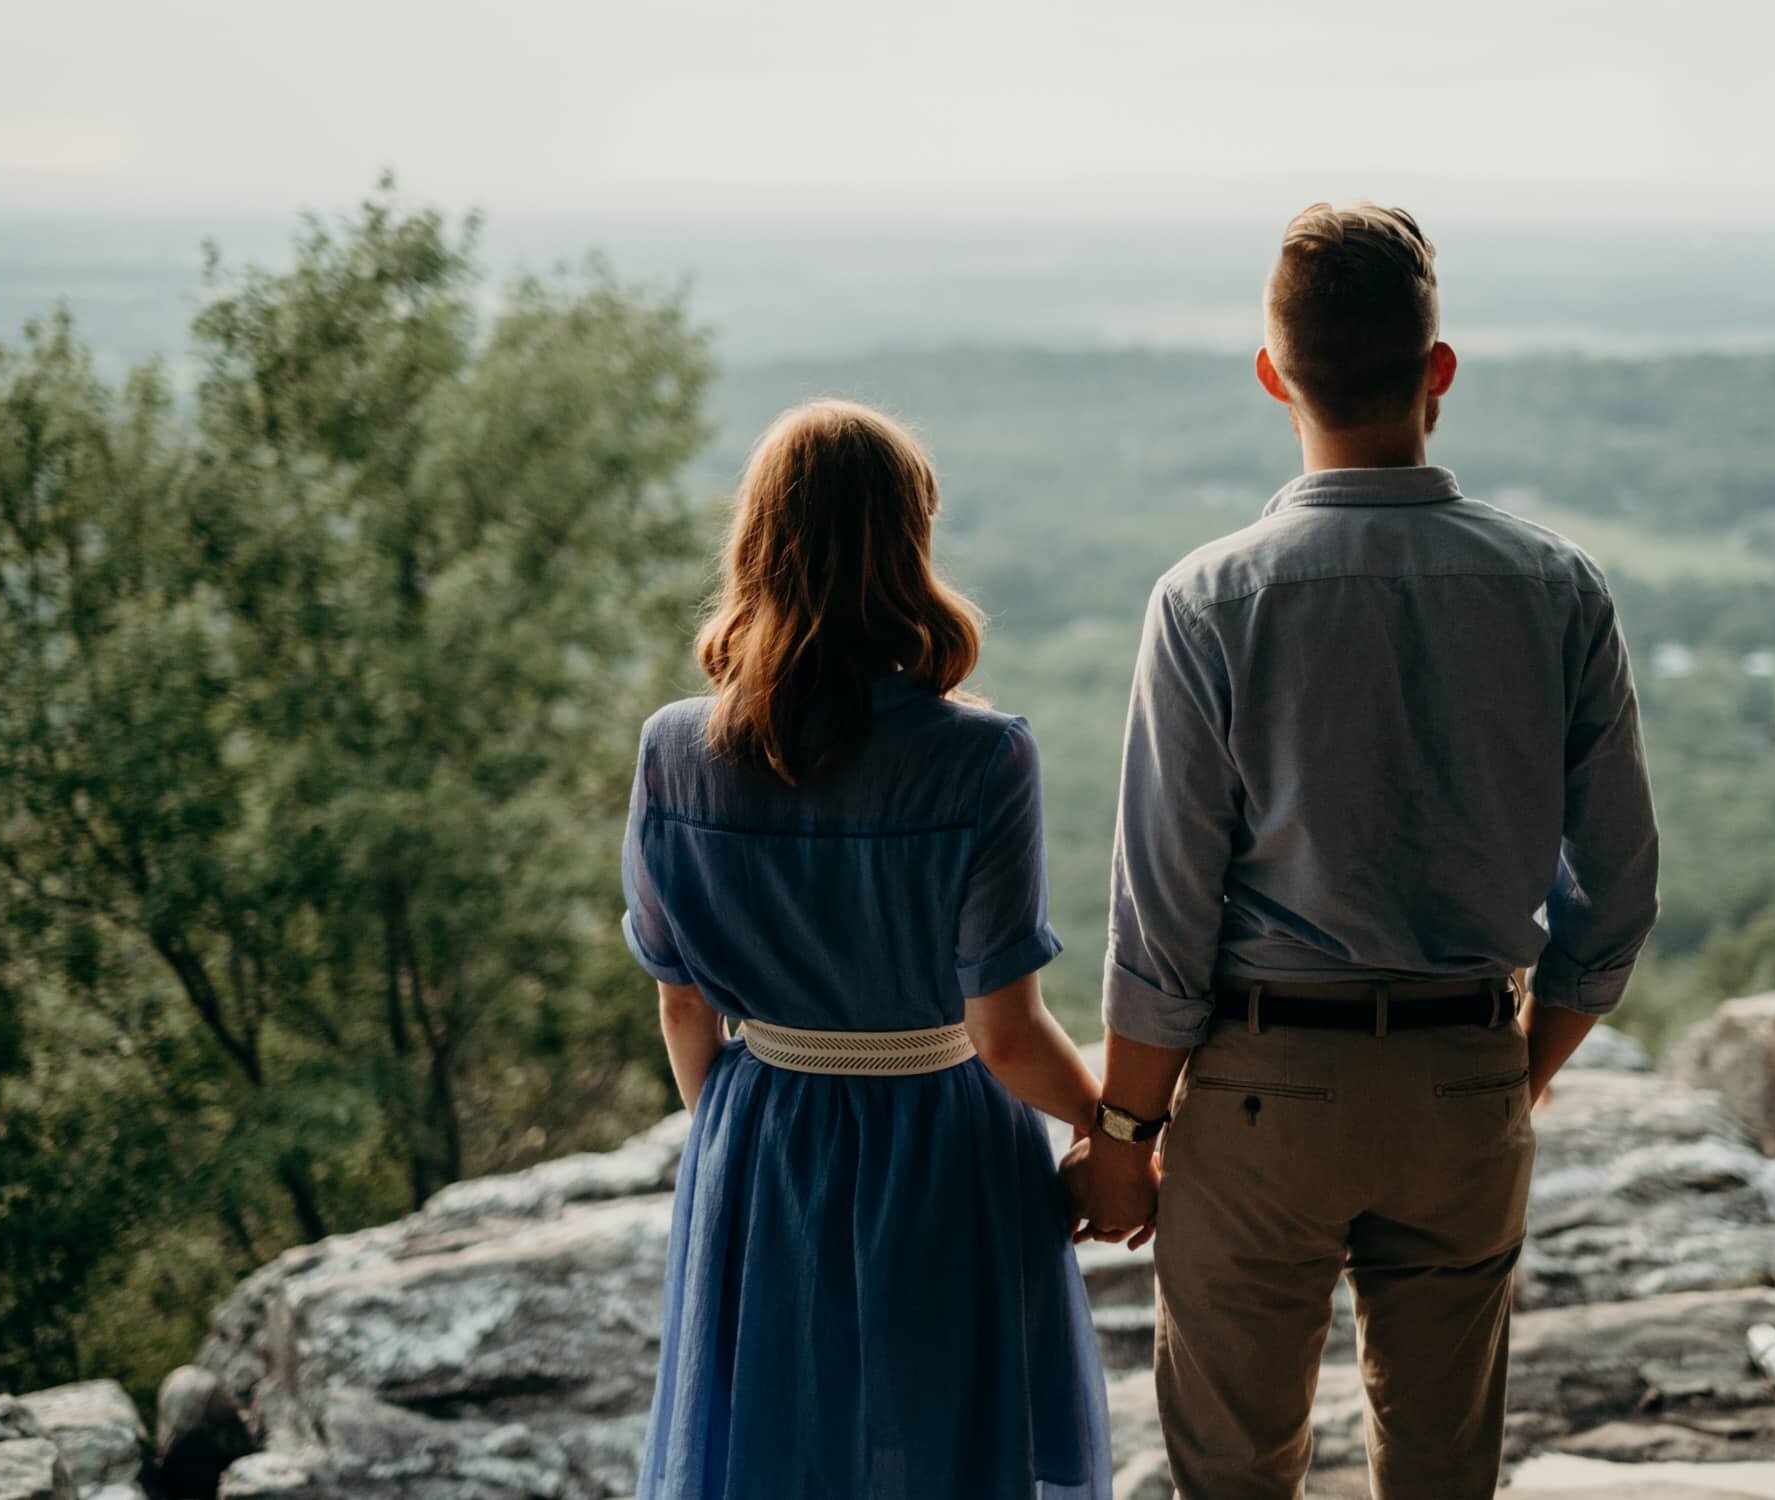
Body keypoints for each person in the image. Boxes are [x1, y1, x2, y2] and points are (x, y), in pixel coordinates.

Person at [1066, 203, 1661, 1498]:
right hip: (1461, 1080)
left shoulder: (1206, 601)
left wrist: (1124, 1128)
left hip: (1258, 1092)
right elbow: (1614, 895)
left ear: (1273, 374)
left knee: (1233, 1470)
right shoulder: (1559, 588)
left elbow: (1161, 917)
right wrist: (1516, 1063)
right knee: (1445, 1472)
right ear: (1436, 371)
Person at [620, 400, 1113, 1500]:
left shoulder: (672, 753)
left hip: (759, 1137)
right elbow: (1007, 1032)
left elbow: (682, 1008)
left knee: (778, 1450)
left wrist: (747, 1138)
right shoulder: (982, 760)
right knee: (945, 1440)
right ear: (909, 545)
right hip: (941, 1137)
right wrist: (1111, 1130)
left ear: (755, 544)